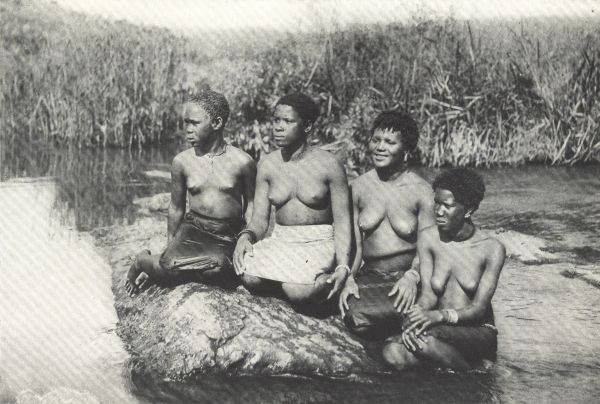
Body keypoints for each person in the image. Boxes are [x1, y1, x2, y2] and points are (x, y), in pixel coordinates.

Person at [125, 90, 256, 295]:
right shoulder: (182, 161)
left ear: (217, 123)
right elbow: (176, 207)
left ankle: (193, 267)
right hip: (194, 229)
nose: (187, 130)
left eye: (194, 123)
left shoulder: (243, 162)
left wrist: (247, 238)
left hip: (226, 234)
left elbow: (252, 206)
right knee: (166, 270)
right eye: (186, 123)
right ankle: (142, 260)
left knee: (221, 272)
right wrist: (170, 247)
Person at [233, 93, 351, 308]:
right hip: (282, 239)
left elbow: (343, 222)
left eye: (287, 121)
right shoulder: (267, 165)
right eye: (276, 120)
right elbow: (260, 220)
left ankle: (304, 283)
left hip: (317, 242)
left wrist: (343, 266)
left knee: (298, 292)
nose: (278, 127)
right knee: (246, 273)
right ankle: (289, 279)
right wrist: (246, 237)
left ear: (306, 126)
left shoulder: (330, 165)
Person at [382, 168, 506, 370]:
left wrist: (439, 317)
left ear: (468, 210)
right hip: (438, 328)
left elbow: (479, 308)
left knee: (427, 341)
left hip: (477, 331)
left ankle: (473, 381)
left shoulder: (491, 249)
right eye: (436, 203)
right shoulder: (429, 237)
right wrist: (416, 314)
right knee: (393, 353)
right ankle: (455, 374)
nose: (438, 211)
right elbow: (429, 296)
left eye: (447, 206)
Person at [339, 111, 435, 340]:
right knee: (356, 318)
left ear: (406, 151)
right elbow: (354, 246)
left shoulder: (421, 191)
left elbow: (430, 246)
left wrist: (413, 276)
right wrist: (348, 278)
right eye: (376, 140)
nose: (380, 147)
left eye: (390, 142)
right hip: (371, 276)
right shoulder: (358, 188)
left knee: (417, 310)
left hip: (409, 276)